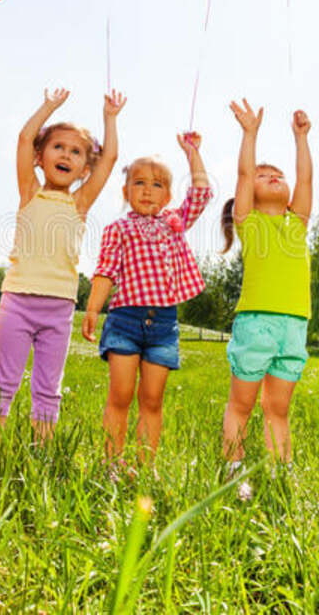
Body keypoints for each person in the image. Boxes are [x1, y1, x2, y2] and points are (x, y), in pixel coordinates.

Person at [0, 88, 126, 444]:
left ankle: (41, 451)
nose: (66, 154)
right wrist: (49, 106)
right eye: (58, 147)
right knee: (4, 379)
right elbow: (25, 137)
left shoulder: (80, 202)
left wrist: (110, 118)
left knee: (48, 386)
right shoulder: (29, 191)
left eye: (76, 152)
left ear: (83, 169)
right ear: (40, 157)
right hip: (17, 300)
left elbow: (108, 161)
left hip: (59, 307)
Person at [82, 134, 213, 473]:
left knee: (152, 399)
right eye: (138, 183)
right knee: (121, 395)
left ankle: (143, 466)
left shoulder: (174, 225)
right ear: (125, 191)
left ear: (168, 195)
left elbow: (201, 193)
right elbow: (106, 271)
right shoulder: (118, 229)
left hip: (164, 325)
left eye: (157, 185)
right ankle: (112, 462)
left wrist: (192, 153)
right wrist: (94, 308)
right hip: (125, 320)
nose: (146, 190)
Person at [220, 100, 313, 478]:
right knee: (241, 403)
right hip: (256, 321)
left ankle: (279, 473)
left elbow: (305, 179)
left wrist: (301, 138)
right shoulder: (250, 223)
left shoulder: (298, 223)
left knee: (278, 408)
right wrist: (250, 134)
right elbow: (243, 174)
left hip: (295, 325)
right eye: (264, 176)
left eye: (277, 174)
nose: (272, 176)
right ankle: (232, 470)